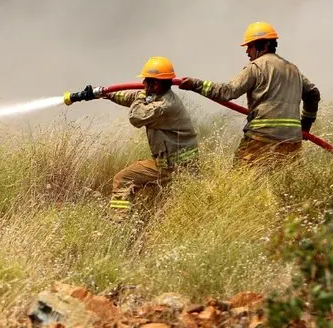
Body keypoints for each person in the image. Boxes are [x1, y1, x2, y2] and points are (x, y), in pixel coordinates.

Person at [178, 22, 320, 168]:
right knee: (285, 180)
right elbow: (313, 93)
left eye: (250, 46)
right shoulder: (293, 69)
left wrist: (196, 84)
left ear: (262, 45)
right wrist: (305, 125)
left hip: (261, 140)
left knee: (239, 177)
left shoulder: (256, 67)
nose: (247, 51)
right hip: (292, 142)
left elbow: (228, 91)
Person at [71, 56, 199, 214]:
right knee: (168, 202)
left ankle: (119, 222)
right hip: (176, 165)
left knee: (123, 180)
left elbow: (136, 115)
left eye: (147, 81)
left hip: (172, 167)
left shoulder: (164, 106)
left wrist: (142, 94)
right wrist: (104, 93)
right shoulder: (161, 96)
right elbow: (131, 98)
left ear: (156, 84)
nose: (143, 83)